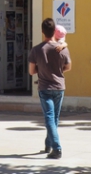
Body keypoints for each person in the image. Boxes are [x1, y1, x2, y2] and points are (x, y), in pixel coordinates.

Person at [28, 18, 72, 159]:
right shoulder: (63, 49)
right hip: (59, 87)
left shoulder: (36, 50)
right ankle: (48, 144)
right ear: (55, 31)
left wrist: (42, 70)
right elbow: (68, 67)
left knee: (49, 118)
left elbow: (31, 71)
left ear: (42, 32)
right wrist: (57, 71)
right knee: (54, 118)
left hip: (45, 87)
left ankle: (57, 148)